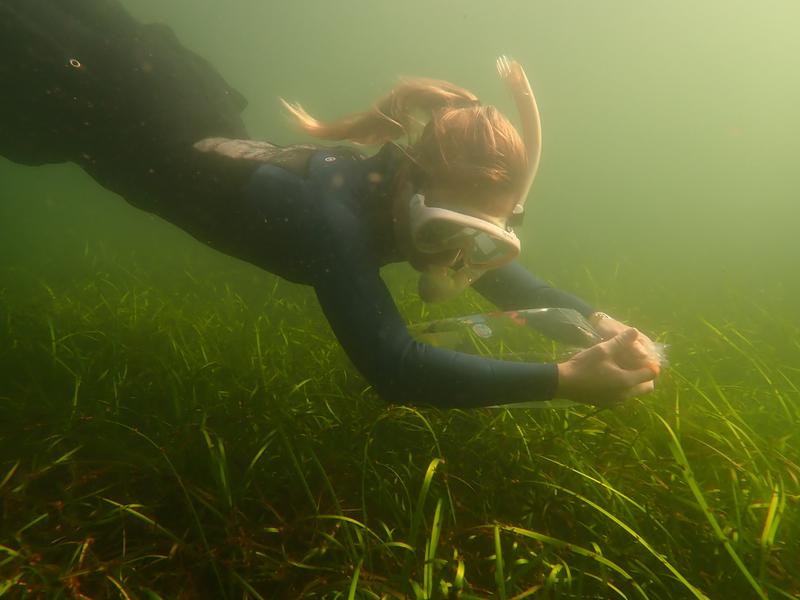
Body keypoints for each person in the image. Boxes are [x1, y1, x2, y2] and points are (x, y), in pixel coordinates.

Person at [0, 0, 659, 408]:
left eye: (482, 240)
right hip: (104, 103)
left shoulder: (402, 200)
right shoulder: (329, 218)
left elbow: (516, 283)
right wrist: (563, 381)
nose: (459, 261)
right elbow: (396, 367)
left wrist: (596, 324)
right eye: (451, 234)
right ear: (409, 183)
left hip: (168, 102)